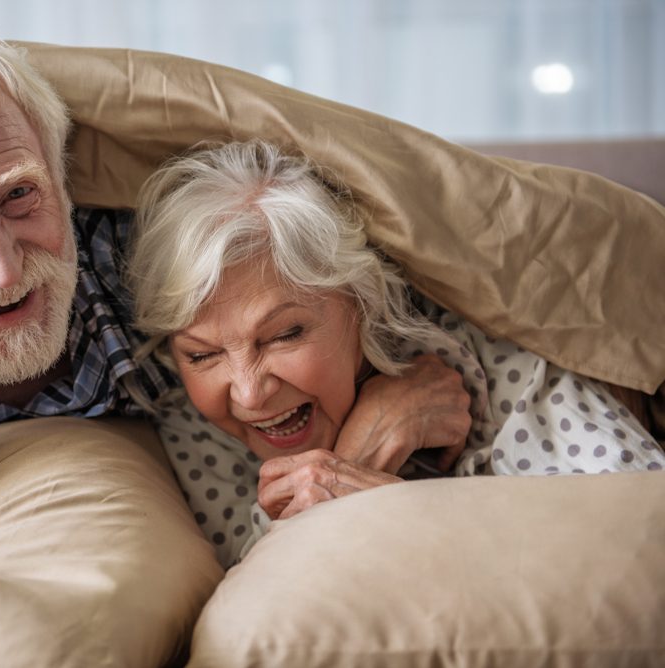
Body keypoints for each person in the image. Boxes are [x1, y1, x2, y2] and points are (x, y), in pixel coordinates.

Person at [0, 33, 471, 655]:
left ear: (61, 175)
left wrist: (385, 403)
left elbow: (362, 299)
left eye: (19, 195)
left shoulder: (135, 268)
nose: (2, 265)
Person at [127, 139, 665, 567]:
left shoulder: (504, 361)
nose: (247, 392)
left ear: (361, 302)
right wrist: (365, 453)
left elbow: (631, 556)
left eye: (284, 335)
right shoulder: (190, 430)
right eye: (202, 355)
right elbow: (263, 614)